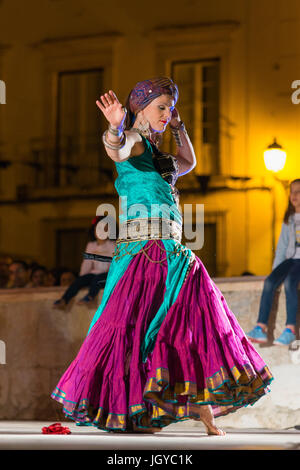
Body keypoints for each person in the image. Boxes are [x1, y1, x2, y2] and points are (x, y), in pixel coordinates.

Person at [51, 77, 273, 435]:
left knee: (194, 325)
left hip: (173, 253)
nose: (166, 113)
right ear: (140, 108)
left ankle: (203, 412)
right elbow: (117, 148)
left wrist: (178, 124)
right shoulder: (136, 142)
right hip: (144, 255)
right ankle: (141, 411)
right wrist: (113, 127)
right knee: (139, 333)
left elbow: (188, 160)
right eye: (161, 107)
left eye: (170, 108)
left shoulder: (161, 157)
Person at [247, 178, 300, 346]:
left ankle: (290, 329)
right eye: (292, 191)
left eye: (298, 191)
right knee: (270, 282)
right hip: (290, 259)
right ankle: (260, 329)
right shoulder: (289, 218)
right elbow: (282, 247)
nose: (294, 195)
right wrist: (275, 273)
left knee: (291, 283)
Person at [53, 216, 115, 309]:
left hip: (107, 274)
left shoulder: (112, 245)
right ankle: (65, 299)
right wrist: (82, 277)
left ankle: (90, 296)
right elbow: (86, 263)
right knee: (79, 281)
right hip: (94, 273)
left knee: (97, 280)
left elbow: (114, 263)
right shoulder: (91, 245)